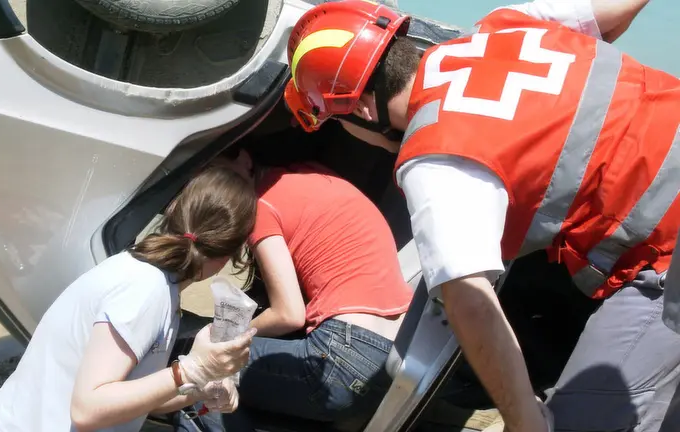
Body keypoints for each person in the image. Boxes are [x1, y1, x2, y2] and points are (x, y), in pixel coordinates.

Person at [283, 0, 680, 431]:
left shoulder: (436, 155)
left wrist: (524, 419)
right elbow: (615, 11)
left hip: (666, 249)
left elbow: (470, 300)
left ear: (361, 110)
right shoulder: (505, 25)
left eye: (335, 121)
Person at [0, 165, 258, 432]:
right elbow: (87, 408)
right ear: (228, 257)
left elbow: (135, 397)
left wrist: (197, 386)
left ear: (174, 209)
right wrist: (189, 369)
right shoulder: (145, 288)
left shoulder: (153, 277)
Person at [173, 147, 412, 431]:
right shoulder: (306, 173)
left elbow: (288, 314)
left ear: (245, 158)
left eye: (216, 170)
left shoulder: (261, 205)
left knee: (192, 373)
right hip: (386, 360)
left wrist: (219, 339)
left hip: (342, 354)